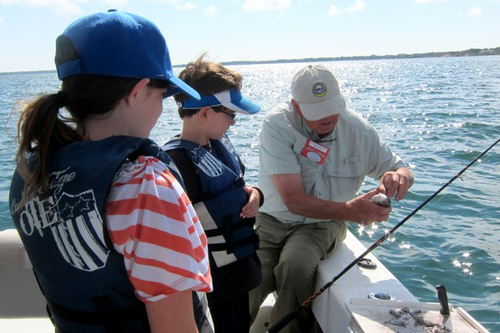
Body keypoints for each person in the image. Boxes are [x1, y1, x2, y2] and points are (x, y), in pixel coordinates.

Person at [9, 10, 213, 333]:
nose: (162, 108)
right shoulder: (147, 188)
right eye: (162, 95)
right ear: (137, 92)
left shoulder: (31, 171)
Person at [249, 64, 414, 332]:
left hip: (324, 222)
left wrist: (399, 178)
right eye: (318, 113)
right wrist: (353, 211)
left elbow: (399, 167)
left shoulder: (359, 130)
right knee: (253, 275)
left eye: (332, 109)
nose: (328, 118)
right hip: (272, 219)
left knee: (296, 267)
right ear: (296, 106)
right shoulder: (277, 125)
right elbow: (294, 200)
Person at [163, 54, 263, 333]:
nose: (233, 123)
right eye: (230, 115)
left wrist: (256, 194)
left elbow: (235, 189)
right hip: (212, 284)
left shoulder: (217, 145)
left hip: (237, 275)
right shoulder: (179, 164)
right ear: (205, 113)